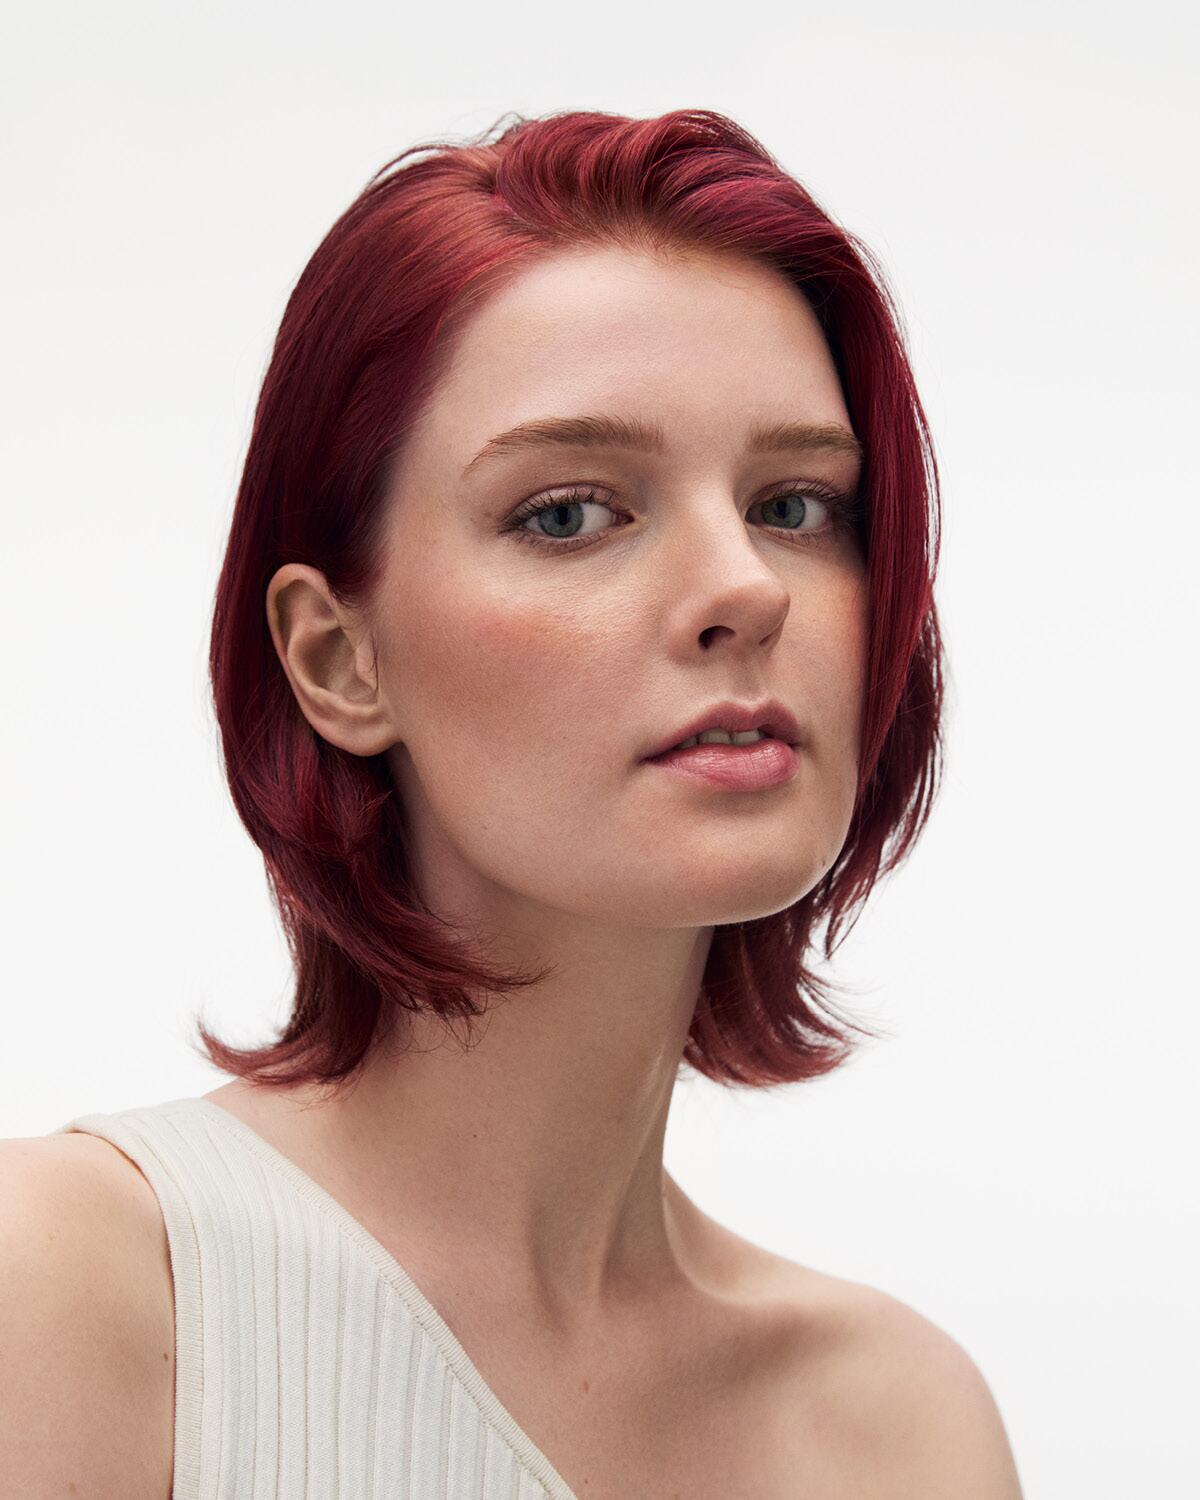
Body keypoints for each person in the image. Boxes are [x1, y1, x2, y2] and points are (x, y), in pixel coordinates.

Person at [0, 108, 1023, 1497]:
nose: (747, 586)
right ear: (336, 659)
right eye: (568, 513)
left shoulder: (898, 1429)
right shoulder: (70, 1289)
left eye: (796, 504)